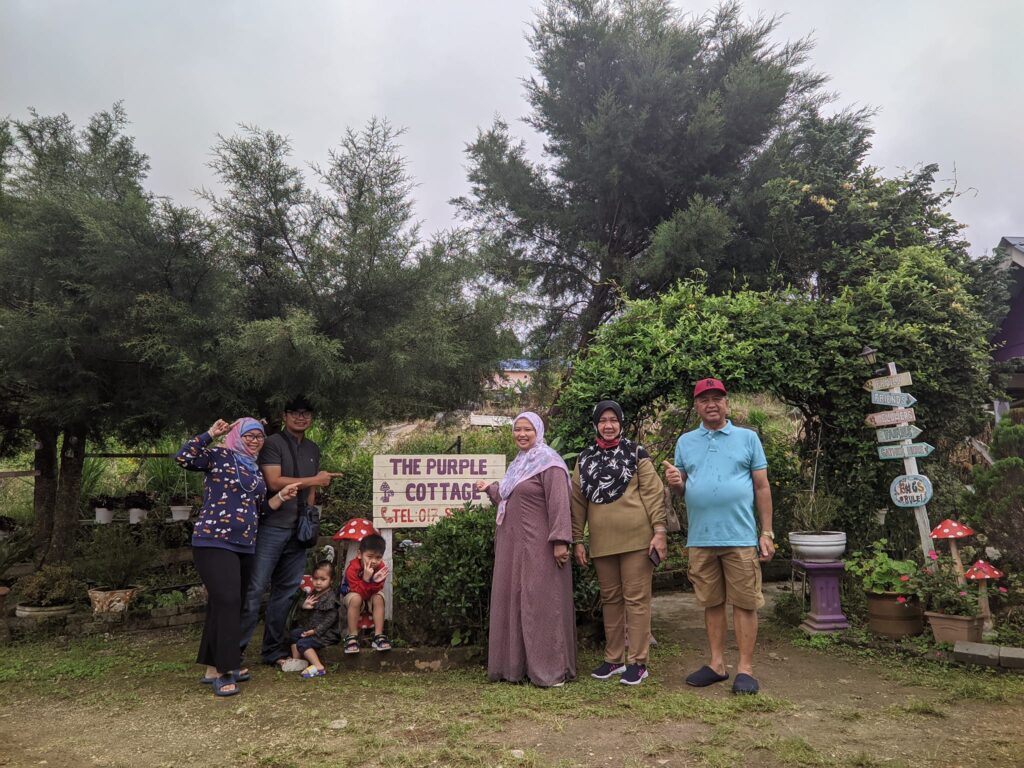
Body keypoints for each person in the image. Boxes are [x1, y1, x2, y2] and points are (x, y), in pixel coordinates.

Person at [663, 378, 775, 695]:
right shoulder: (685, 442)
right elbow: (683, 487)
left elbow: (762, 487)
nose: (711, 404)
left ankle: (745, 669)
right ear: (696, 406)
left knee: (745, 604)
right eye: (704, 399)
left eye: (717, 398)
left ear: (727, 403)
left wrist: (766, 531)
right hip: (701, 538)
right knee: (711, 603)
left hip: (740, 537)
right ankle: (716, 664)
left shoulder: (748, 439)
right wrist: (675, 482)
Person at [176, 418, 300, 697]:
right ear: (236, 436)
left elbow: (259, 510)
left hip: (243, 545)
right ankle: (225, 670)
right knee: (229, 601)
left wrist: (279, 496)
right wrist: (209, 433)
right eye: (249, 435)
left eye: (259, 436)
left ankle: (211, 668)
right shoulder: (219, 456)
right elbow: (183, 457)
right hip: (214, 541)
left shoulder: (253, 469)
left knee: (227, 603)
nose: (255, 440)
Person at [475, 411, 576, 687]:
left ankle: (550, 670)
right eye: (517, 429)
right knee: (517, 602)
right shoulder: (519, 464)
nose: (521, 434)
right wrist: (490, 489)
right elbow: (510, 497)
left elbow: (559, 504)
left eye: (527, 429)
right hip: (514, 548)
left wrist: (560, 541)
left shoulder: (549, 463)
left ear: (538, 431)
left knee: (541, 604)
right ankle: (516, 668)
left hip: (540, 547)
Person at [239, 396, 342, 667]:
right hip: (271, 527)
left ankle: (272, 651)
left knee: (285, 592)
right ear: (285, 416)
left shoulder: (312, 448)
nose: (301, 417)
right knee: (255, 589)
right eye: (295, 413)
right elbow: (274, 481)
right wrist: (317, 479)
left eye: (306, 413)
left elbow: (309, 492)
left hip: (299, 529)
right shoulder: (272, 444)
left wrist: (310, 518)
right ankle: (233, 652)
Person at [571, 400, 667, 686]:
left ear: (621, 423)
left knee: (637, 601)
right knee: (611, 600)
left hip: (638, 540)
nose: (608, 425)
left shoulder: (636, 453)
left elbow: (653, 493)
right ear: (595, 425)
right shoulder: (585, 458)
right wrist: (578, 539)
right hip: (602, 544)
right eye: (603, 420)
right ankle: (613, 659)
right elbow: (577, 503)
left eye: (613, 420)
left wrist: (659, 531)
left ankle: (638, 662)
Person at [285, 560, 340, 678]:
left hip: (326, 634)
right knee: (294, 634)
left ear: (331, 581)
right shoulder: (313, 594)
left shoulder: (330, 598)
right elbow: (303, 618)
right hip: (310, 629)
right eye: (315, 579)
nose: (318, 582)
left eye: (323, 579)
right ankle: (297, 660)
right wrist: (304, 607)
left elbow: (330, 619)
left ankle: (319, 667)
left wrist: (315, 631)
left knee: (302, 643)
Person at [340, 533, 391, 653]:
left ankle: (378, 635)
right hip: (353, 594)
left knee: (379, 597)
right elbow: (356, 590)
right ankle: (352, 636)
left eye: (378, 557)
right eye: (370, 556)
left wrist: (374, 581)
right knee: (356, 598)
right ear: (359, 554)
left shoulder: (380, 568)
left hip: (370, 594)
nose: (374, 561)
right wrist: (366, 579)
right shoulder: (352, 568)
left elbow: (377, 589)